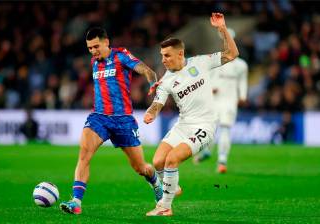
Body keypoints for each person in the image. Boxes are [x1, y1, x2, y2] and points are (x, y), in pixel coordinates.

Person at [143, 13, 239, 216]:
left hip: (204, 126)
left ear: (180, 54)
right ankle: (173, 186)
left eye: (167, 55)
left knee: (172, 160)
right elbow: (157, 104)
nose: (163, 60)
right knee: (158, 161)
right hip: (183, 125)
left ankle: (165, 207)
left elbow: (231, 54)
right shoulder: (166, 80)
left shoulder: (200, 62)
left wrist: (222, 29)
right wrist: (150, 114)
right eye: (162, 56)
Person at [60, 27, 162, 215]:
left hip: (123, 120)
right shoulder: (94, 62)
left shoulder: (120, 55)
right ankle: (76, 201)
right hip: (99, 117)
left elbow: (147, 71)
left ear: (106, 42)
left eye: (96, 46)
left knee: (140, 168)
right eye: (90, 48)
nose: (93, 51)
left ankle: (155, 181)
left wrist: (152, 83)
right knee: (84, 154)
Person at [193, 28, 248, 174]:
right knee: (209, 128)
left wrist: (242, 96)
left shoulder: (241, 65)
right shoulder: (214, 60)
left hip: (230, 101)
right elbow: (206, 79)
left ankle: (222, 160)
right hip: (214, 100)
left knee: (225, 129)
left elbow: (242, 82)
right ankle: (206, 151)